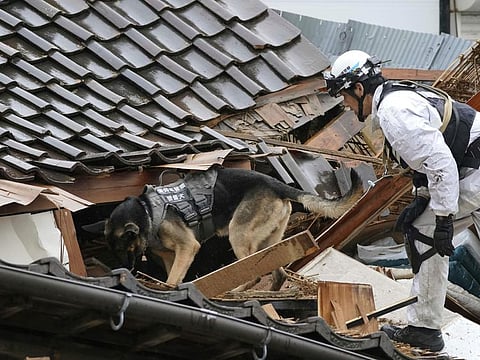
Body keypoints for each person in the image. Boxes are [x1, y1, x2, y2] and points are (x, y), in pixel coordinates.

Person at [324, 50, 480, 352]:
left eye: (344, 96)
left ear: (358, 89)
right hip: (471, 173)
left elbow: (441, 163)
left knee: (424, 232)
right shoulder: (398, 97)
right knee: (421, 227)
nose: (344, 104)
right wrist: (421, 200)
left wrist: (444, 219)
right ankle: (424, 327)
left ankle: (425, 328)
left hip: (473, 174)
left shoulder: (395, 113)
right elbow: (435, 160)